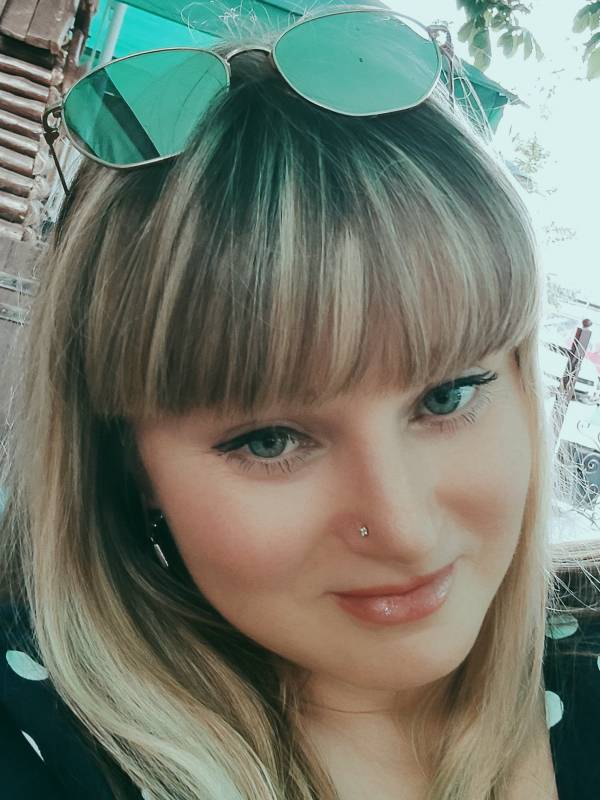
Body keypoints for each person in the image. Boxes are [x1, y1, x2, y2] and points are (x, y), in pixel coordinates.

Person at [1, 7, 600, 800]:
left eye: (447, 395)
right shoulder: (36, 735)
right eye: (270, 440)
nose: (402, 528)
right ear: (129, 460)